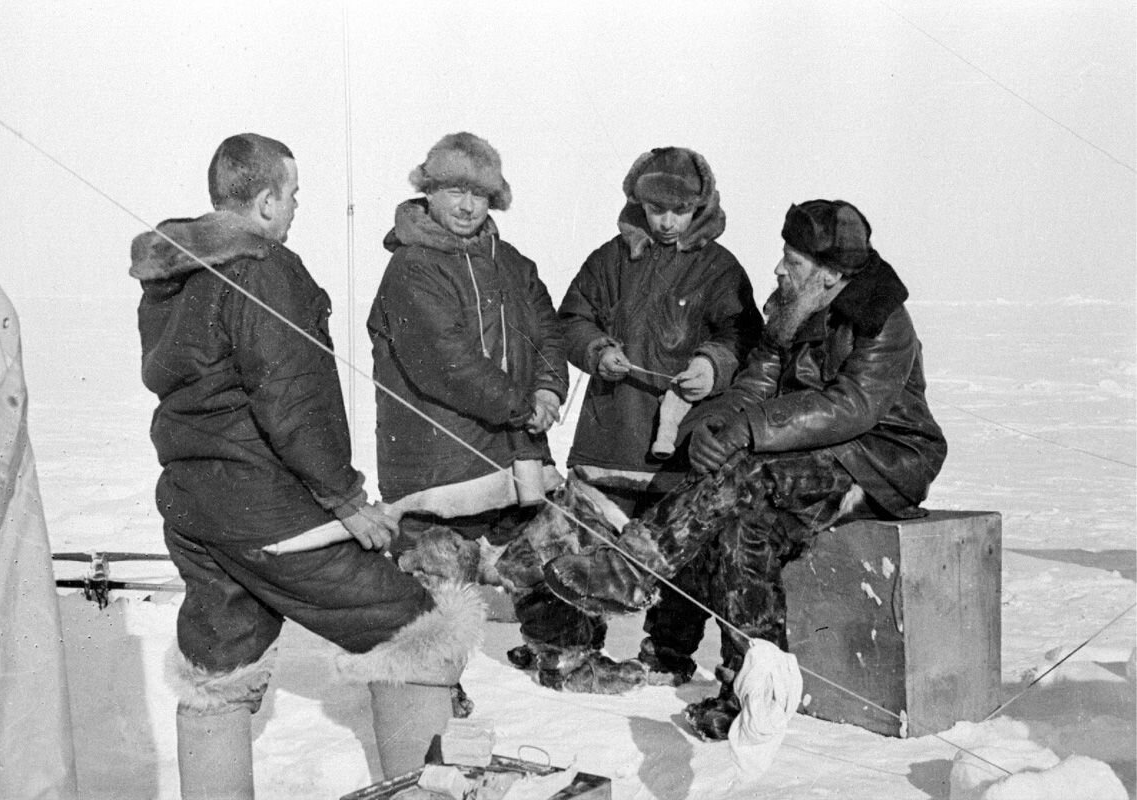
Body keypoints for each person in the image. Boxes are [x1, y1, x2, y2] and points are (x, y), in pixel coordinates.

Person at [130, 133, 483, 796]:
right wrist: (347, 499)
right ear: (265, 201)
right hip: (269, 508)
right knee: (416, 623)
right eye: (291, 195)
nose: (295, 208)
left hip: (192, 506)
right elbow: (293, 398)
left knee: (219, 665)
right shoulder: (263, 267)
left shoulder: (172, 278)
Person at [544, 199, 947, 740]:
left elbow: (851, 407)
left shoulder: (883, 320)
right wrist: (712, 428)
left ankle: (632, 567)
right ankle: (752, 689)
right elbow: (756, 384)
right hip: (805, 454)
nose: (780, 269)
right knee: (741, 529)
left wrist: (750, 432)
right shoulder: (793, 306)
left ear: (830, 276)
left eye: (794, 262)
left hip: (879, 460)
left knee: (750, 477)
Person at [368, 132, 617, 691]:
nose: (465, 206)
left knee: (550, 550)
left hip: (511, 451)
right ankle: (427, 692)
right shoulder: (410, 270)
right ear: (427, 191)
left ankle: (565, 659)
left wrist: (549, 391)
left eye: (478, 195)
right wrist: (518, 405)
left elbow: (548, 332)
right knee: (437, 573)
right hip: (439, 462)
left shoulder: (514, 265)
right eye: (452, 190)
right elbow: (444, 359)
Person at [550, 146, 763, 689]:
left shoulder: (720, 268)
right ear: (637, 203)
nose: (667, 221)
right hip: (610, 431)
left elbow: (743, 336)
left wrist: (713, 366)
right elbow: (571, 318)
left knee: (679, 551)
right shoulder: (609, 260)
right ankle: (576, 648)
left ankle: (668, 651)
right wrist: (596, 348)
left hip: (683, 438)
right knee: (590, 540)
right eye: (655, 209)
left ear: (702, 207)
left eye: (680, 210)